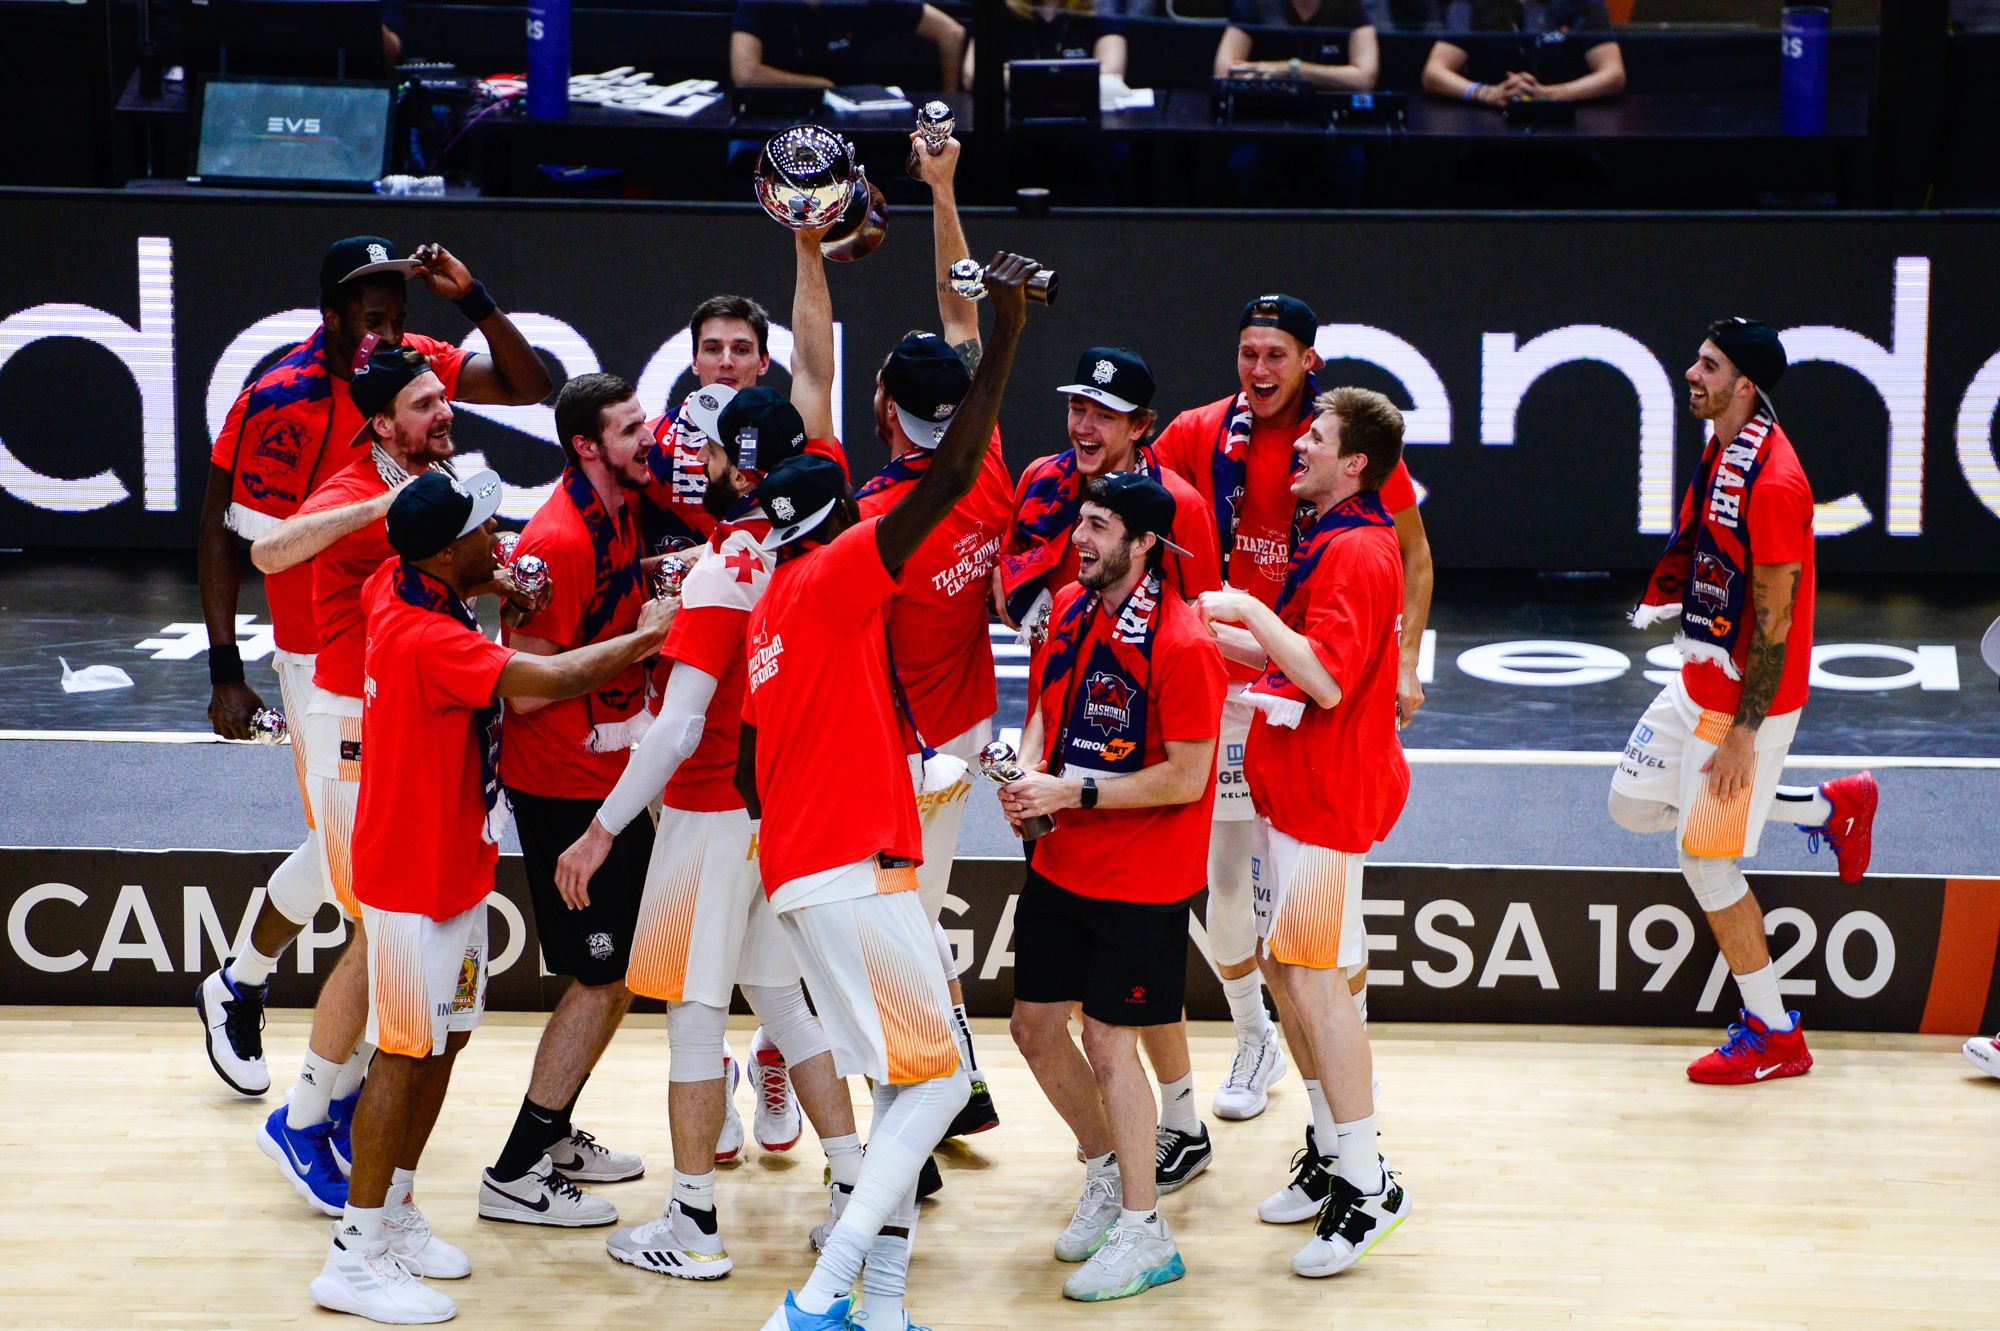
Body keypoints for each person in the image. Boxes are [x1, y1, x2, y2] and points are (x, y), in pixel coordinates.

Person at [740, 251, 1036, 1331]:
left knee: (906, 1084)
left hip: (804, 873)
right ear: (841, 526)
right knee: (948, 1082)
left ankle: (884, 1304)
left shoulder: (771, 602)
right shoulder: (835, 575)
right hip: (859, 863)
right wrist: (1005, 331)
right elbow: (953, 478)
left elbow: (742, 764)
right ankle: (820, 1296)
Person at [307, 469, 673, 1325]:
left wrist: (489, 576)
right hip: (411, 879)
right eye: (482, 531)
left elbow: (456, 574)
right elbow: (555, 676)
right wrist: (649, 635)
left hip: (455, 866)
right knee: (403, 1051)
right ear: (441, 551)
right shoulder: (427, 637)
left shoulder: (397, 583)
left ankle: (393, 1208)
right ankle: (354, 1254)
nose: (498, 537)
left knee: (445, 1041)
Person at [194, 235, 547, 1119]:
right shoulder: (282, 401)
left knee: (352, 861)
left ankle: (241, 984)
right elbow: (233, 534)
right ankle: (326, 1099)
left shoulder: (410, 367)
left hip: (406, 639)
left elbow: (530, 384)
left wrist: (474, 297)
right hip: (326, 661)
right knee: (367, 888)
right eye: (369, 315)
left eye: (397, 314)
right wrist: (228, 668)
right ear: (332, 318)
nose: (386, 330)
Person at [560, 381, 870, 1278]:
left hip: (706, 813)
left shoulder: (724, 563)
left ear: (739, 461)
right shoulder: (818, 543)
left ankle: (692, 1221)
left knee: (693, 1020)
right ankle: (858, 1193)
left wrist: (603, 829)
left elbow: (681, 723)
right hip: (779, 811)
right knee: (780, 997)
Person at [245, 342, 539, 1216]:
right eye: (422, 406)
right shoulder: (349, 485)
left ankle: (336, 1103)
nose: (442, 414)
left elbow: (452, 568)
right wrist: (383, 500)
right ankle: (302, 1119)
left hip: (401, 708)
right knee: (379, 925)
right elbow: (269, 553)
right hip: (346, 717)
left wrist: (509, 573)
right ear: (380, 424)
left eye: (442, 399)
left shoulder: (443, 473)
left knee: (387, 928)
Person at [1151, 292, 1434, 1123]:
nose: (1259, 370)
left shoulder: (1347, 461)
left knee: (1316, 925)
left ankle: (1349, 1083)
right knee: (1230, 891)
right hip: (1236, 681)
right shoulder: (1201, 431)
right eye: (1248, 353)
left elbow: (1412, 559)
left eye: (1276, 354)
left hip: (1311, 684)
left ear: (1310, 361)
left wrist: (1405, 660)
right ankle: (1261, 1043)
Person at [1610, 317, 1879, 1084]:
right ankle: (1829, 808)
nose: (1691, 373)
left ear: (1746, 385)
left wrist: (1742, 737)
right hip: (1696, 673)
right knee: (1630, 803)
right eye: (1696, 358)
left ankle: (1775, 1031)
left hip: (1744, 708)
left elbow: (1777, 621)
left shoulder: (1774, 481)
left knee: (1706, 860)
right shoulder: (1726, 445)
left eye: (1708, 364)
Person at [636, 241, 849, 1158]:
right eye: (711, 347)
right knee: (760, 978)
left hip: (727, 769)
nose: (724, 360)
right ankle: (849, 1176)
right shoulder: (663, 457)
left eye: (739, 348)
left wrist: (806, 241)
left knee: (705, 993)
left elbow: (816, 364)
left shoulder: (756, 515)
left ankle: (692, 1212)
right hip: (735, 756)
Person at [996, 344, 1223, 1196]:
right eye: (1075, 407)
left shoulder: (1180, 550)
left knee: (1117, 1024)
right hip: (1069, 817)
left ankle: (1171, 1138)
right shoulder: (1063, 562)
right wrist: (1030, 770)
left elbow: (1195, 633)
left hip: (1142, 810)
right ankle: (1117, 1164)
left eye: (1103, 411)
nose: (1083, 424)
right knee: (1055, 1023)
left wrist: (1076, 784)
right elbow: (1044, 686)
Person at [1198, 386, 1412, 1279]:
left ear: (1353, 461)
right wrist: (1202, 623)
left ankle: (1369, 1184)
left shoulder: (1361, 551)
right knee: (1289, 969)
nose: (1298, 447)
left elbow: (1323, 679)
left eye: (1315, 438)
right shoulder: (1323, 537)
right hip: (1296, 793)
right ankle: (1330, 1150)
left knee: (1320, 985)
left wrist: (1248, 615)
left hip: (1329, 799)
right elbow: (1298, 654)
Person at [473, 371, 662, 1226]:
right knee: (601, 975)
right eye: (628, 430)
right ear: (586, 445)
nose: (646, 438)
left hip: (607, 774)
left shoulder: (619, 505)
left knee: (617, 972)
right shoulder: (556, 540)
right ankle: (515, 1167)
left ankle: (552, 1134)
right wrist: (644, 640)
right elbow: (528, 693)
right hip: (560, 786)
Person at [861, 128, 1017, 1140]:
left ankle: (903, 1126)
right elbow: (961, 310)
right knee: (915, 923)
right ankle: (957, 1082)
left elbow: (955, 315)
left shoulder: (879, 520)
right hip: (964, 731)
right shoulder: (986, 459)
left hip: (905, 754)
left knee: (892, 937)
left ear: (883, 412)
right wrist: (944, 187)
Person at [1421, 0, 1625, 107]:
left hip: (1566, 126)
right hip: (1490, 126)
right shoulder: (1474, 3)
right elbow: (1434, 73)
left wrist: (1550, 94)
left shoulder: (1583, 3)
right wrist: (1486, 93)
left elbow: (1613, 75)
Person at [731, 0, 966, 91]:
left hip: (846, 124)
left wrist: (946, 106)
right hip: (774, 117)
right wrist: (821, 86)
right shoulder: (760, 4)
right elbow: (745, 73)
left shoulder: (862, 4)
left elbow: (951, 33)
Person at [1213, 0, 1380, 88]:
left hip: (1335, 123)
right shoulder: (1256, 2)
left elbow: (1364, 79)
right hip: (1267, 118)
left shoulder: (1354, 4)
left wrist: (1291, 69)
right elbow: (1224, 71)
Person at [962, 0, 1129, 87]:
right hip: (1011, 127)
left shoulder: (1098, 8)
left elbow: (1111, 74)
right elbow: (973, 73)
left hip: (1080, 126)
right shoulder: (1002, 9)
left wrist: (1012, 75)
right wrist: (1071, 79)